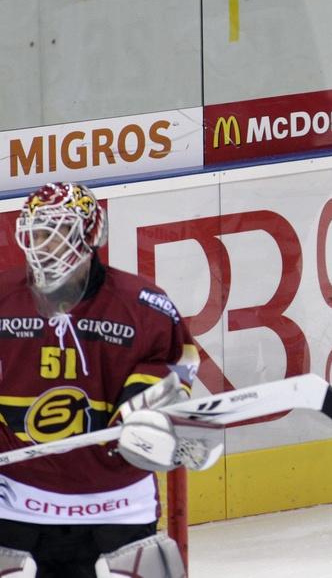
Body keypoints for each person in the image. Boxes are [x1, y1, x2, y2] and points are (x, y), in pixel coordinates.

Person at [0, 182, 216, 577]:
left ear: (89, 236)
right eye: (38, 233)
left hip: (117, 501)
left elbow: (175, 363)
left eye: (59, 233)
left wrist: (143, 413)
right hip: (15, 497)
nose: (45, 245)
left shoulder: (142, 305)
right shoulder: (2, 299)